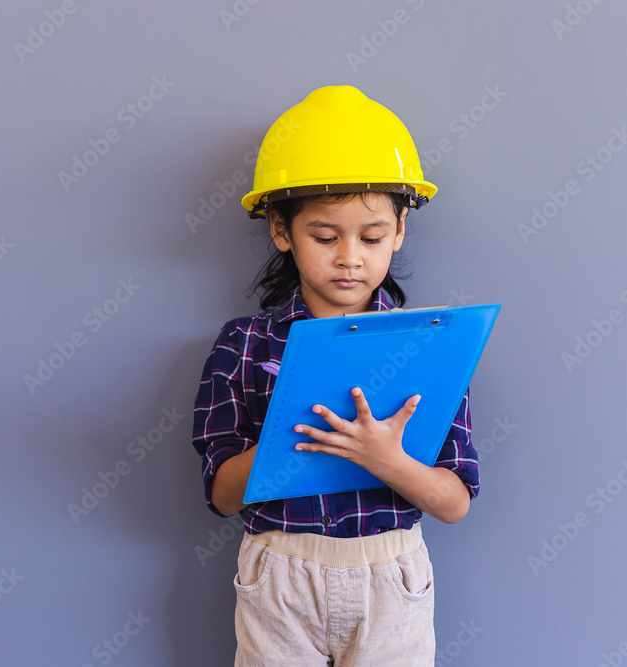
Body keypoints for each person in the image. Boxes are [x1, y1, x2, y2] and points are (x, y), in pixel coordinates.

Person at [191, 86, 480, 666]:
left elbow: (454, 503)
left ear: (399, 229)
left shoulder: (430, 348)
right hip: (279, 573)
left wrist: (384, 458)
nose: (350, 256)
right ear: (282, 231)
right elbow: (222, 497)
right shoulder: (243, 345)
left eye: (371, 237)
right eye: (325, 237)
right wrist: (289, 429)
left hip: (390, 575)